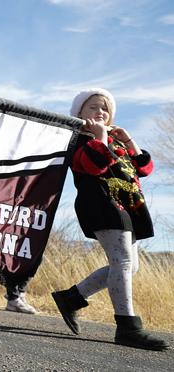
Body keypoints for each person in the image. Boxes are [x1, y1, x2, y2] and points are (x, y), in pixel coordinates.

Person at [50, 89, 168, 351]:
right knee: (123, 262)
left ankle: (72, 298)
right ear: (80, 113)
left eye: (105, 108)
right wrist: (100, 137)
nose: (100, 112)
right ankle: (127, 327)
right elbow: (94, 165)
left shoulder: (117, 143)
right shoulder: (80, 140)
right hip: (101, 204)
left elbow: (144, 168)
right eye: (93, 107)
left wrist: (128, 140)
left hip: (128, 205)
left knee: (129, 265)